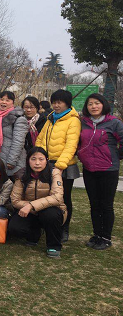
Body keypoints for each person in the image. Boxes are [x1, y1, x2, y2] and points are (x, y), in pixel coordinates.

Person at [78, 93, 123, 250]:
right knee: (94, 204)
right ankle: (97, 234)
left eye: (97, 103)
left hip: (108, 169)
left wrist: (116, 156)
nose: (94, 106)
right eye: (90, 104)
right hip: (89, 169)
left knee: (106, 204)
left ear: (103, 105)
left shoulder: (114, 123)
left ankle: (106, 237)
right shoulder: (84, 123)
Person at [36, 89, 81, 242]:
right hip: (47, 163)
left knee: (63, 198)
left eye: (59, 102)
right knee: (46, 195)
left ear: (67, 104)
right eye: (54, 102)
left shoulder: (73, 120)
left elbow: (71, 145)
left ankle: (63, 228)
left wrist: (60, 165)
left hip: (64, 165)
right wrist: (39, 157)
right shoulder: (50, 119)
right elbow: (40, 139)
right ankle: (47, 224)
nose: (56, 105)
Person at [8, 147, 65, 258]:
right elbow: (15, 200)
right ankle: (34, 233)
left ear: (46, 160)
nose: (37, 163)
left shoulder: (54, 173)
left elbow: (57, 197)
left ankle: (54, 246)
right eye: (33, 159)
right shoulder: (21, 174)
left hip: (50, 209)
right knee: (15, 228)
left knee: (50, 215)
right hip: (30, 211)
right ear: (28, 160)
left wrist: (31, 205)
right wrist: (30, 207)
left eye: (41, 159)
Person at [0, 91, 28, 179]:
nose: (4, 102)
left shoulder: (19, 119)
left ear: (12, 102)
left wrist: (11, 161)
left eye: (7, 100)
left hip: (13, 161)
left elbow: (18, 142)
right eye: (2, 99)